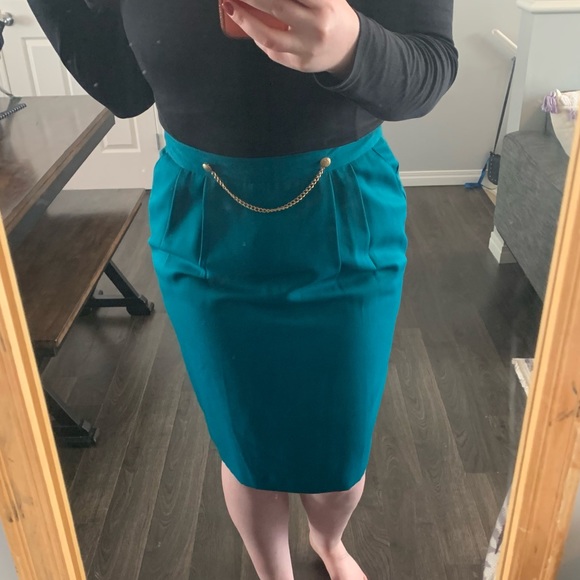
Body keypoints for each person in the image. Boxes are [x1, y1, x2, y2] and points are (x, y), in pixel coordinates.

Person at [28, 1, 458, 578]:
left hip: (346, 212)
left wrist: (349, 44)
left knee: (339, 456)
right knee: (247, 447)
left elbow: (429, 69)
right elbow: (126, 89)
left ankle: (328, 541)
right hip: (201, 214)